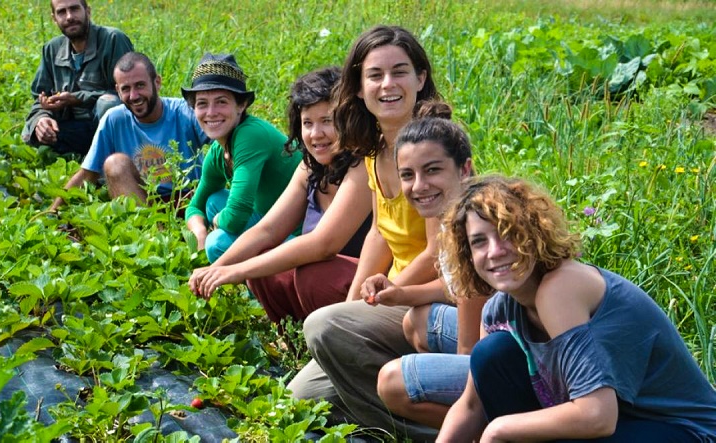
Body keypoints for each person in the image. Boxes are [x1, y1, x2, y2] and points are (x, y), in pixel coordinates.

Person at [437, 175, 716, 442]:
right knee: (491, 354)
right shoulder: (499, 309)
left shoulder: (560, 287)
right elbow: (472, 407)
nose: (495, 250)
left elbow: (597, 415)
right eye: (479, 241)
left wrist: (500, 428)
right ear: (469, 256)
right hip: (620, 426)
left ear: (534, 233)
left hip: (685, 431)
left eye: (508, 233)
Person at [287, 25, 448, 440]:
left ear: (420, 79)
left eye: (400, 72)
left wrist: (383, 297)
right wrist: (354, 301)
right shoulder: (375, 149)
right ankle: (391, 402)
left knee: (322, 328)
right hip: (397, 294)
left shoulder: (431, 146)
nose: (388, 84)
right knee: (301, 396)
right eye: (375, 75)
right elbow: (381, 230)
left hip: (435, 299)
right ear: (359, 87)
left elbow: (436, 252)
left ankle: (419, 430)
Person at [187, 67, 372, 323]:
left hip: (370, 286)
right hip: (326, 281)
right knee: (261, 265)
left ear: (348, 120)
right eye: (307, 123)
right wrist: (215, 269)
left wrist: (236, 271)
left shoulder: (362, 165)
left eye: (327, 121)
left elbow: (323, 244)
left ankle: (330, 340)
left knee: (313, 273)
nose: (316, 134)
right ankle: (293, 338)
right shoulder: (310, 165)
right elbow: (267, 230)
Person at [360, 105, 487, 430]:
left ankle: (486, 428)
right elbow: (455, 288)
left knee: (392, 383)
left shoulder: (473, 227)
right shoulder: (451, 213)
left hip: (526, 352)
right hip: (500, 333)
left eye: (432, 171)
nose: (419, 186)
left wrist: (466, 387)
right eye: (408, 175)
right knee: (417, 319)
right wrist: (400, 293)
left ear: (464, 169)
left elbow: (470, 338)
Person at [49, 52, 207, 212]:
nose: (134, 96)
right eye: (126, 89)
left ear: (157, 83)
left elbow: (224, 145)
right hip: (143, 202)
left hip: (188, 201)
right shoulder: (114, 119)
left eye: (140, 85)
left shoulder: (185, 112)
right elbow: (88, 174)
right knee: (115, 163)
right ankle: (151, 232)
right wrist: (52, 213)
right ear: (117, 91)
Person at [183, 53, 301, 263]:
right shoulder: (218, 152)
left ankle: (256, 291)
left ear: (241, 105)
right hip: (268, 219)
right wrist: (200, 235)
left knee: (217, 243)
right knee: (214, 201)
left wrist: (218, 222)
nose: (211, 112)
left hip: (298, 234)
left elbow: (236, 217)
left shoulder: (250, 135)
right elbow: (195, 206)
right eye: (202, 103)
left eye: (221, 102)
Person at [22, 0, 134, 156]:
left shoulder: (113, 39)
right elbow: (39, 97)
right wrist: (41, 119)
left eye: (74, 9)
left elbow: (129, 94)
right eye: (62, 12)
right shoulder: (51, 49)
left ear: (87, 11)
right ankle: (85, 155)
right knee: (37, 130)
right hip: (74, 127)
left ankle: (113, 159)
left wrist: (77, 99)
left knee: (108, 104)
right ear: (54, 18)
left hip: (105, 126)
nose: (69, 17)